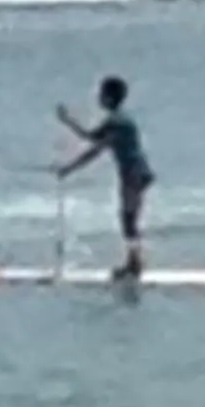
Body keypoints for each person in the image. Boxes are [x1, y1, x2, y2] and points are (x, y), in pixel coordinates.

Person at [57, 75, 153, 278]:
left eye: (101, 94)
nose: (98, 98)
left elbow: (94, 144)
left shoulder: (118, 122)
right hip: (135, 173)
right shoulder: (118, 120)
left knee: (128, 219)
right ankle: (133, 262)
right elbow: (94, 144)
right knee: (128, 218)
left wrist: (68, 122)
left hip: (133, 174)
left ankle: (134, 265)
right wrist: (69, 167)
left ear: (109, 98)